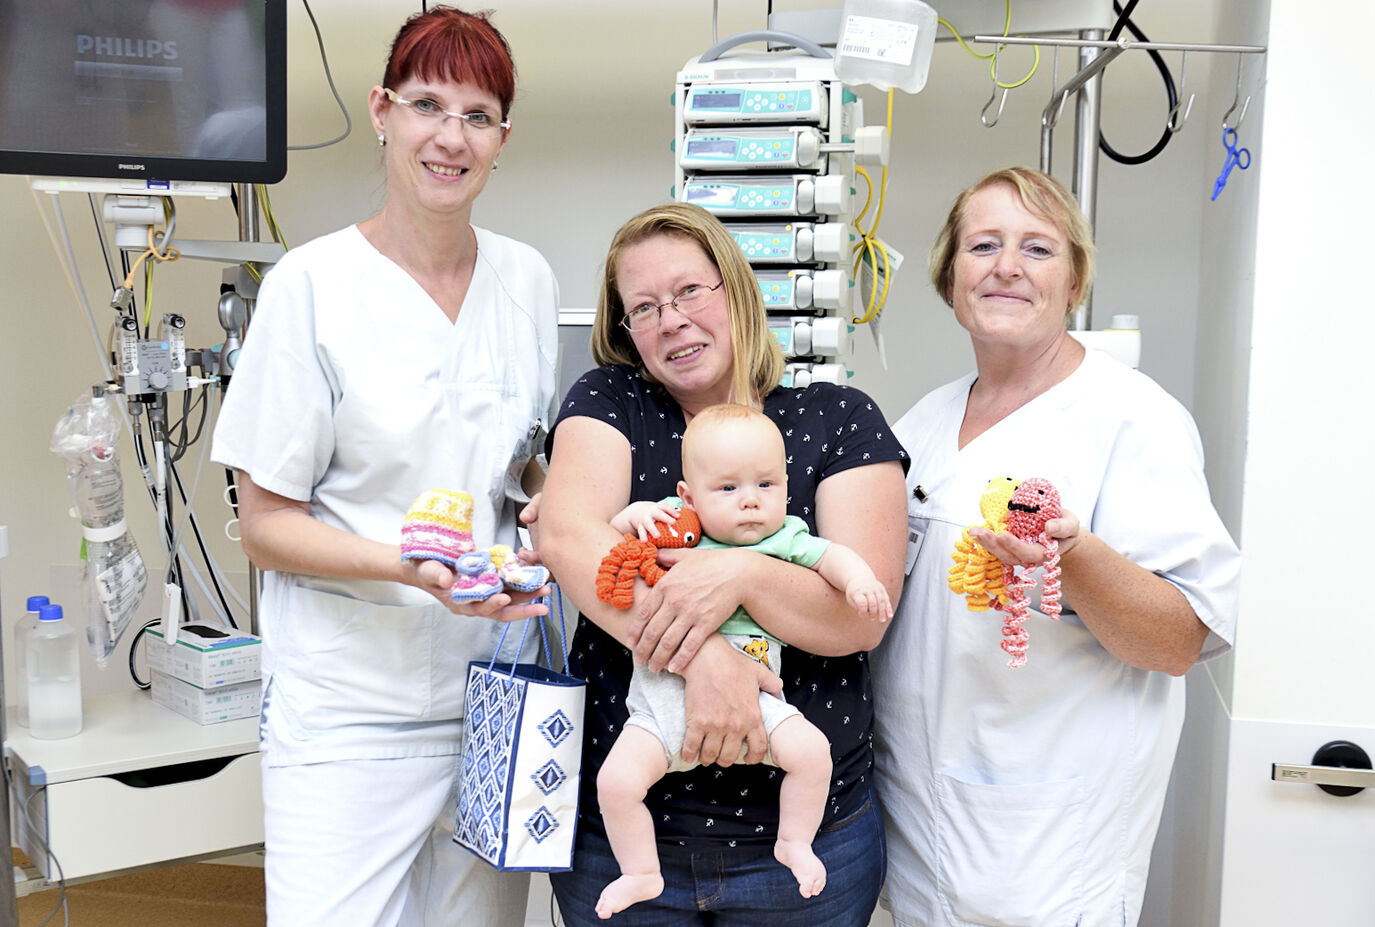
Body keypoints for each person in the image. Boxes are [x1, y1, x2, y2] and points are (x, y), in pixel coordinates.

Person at [209, 8, 556, 925]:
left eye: (478, 116)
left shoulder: (526, 280)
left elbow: (523, 470)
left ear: (502, 139)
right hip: (349, 707)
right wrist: (410, 569)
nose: (451, 136)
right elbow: (264, 526)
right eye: (427, 105)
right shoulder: (309, 289)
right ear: (382, 110)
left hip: (494, 691)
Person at [871, 166, 1241, 927]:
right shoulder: (922, 425)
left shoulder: (1131, 419)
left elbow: (1179, 639)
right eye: (983, 245)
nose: (1006, 266)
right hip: (915, 826)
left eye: (1037, 249)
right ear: (949, 279)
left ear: (1074, 283)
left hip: (1048, 846)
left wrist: (1075, 562)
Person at [532, 201, 908, 927]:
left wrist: (739, 575)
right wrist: (707, 659)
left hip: (808, 839)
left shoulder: (838, 418)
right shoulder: (611, 402)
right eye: (642, 308)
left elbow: (858, 616)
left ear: (735, 290)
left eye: (688, 292)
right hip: (622, 837)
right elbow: (571, 540)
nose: (669, 319)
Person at [595, 403, 893, 919]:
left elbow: (832, 557)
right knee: (616, 784)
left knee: (812, 753)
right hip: (660, 709)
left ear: (786, 484)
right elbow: (607, 534)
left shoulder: (784, 538)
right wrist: (633, 515)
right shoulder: (672, 523)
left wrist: (861, 580)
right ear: (689, 495)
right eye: (728, 489)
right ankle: (640, 872)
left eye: (767, 486)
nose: (751, 502)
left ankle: (794, 841)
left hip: (760, 700)